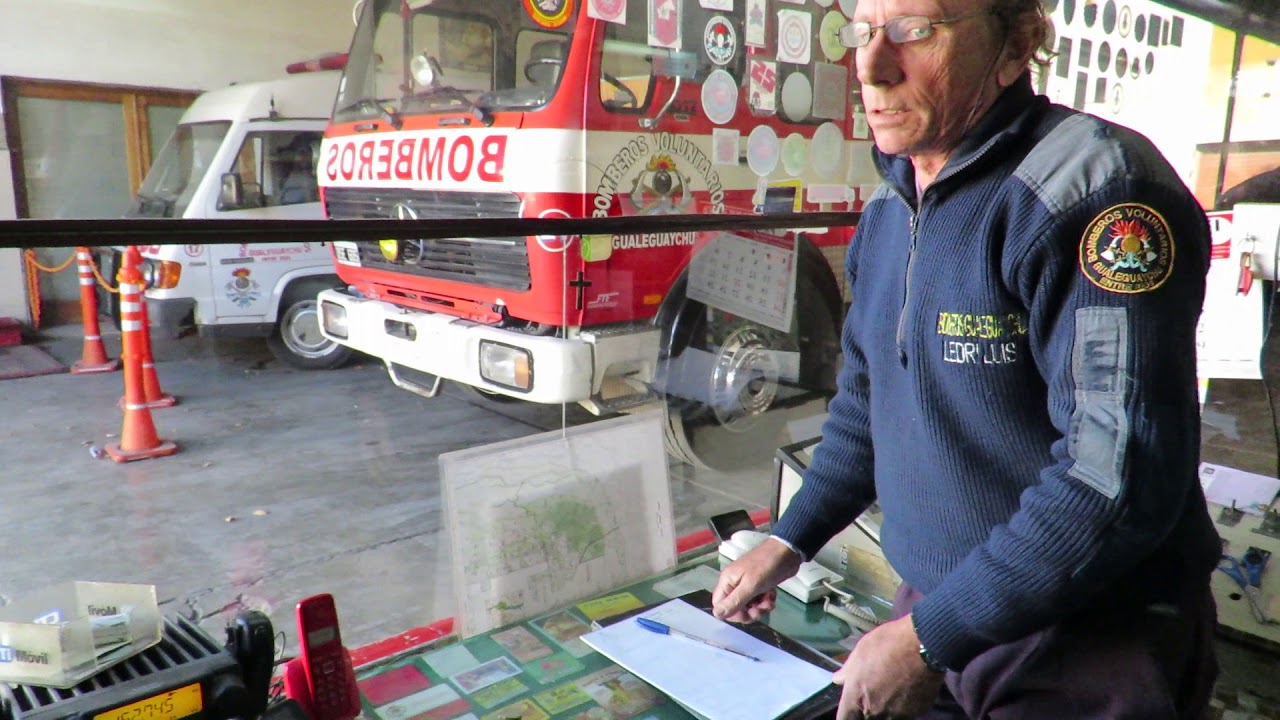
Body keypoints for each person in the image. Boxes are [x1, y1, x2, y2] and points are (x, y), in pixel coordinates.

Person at [710, 0, 1221, 717]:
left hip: (1085, 643)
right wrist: (790, 539)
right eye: (862, 33)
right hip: (944, 614)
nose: (872, 68)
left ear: (1016, 43)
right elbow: (867, 406)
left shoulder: (1096, 195)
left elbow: (1114, 478)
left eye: (915, 30)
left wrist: (929, 638)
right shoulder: (890, 209)